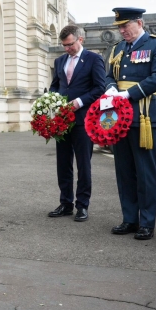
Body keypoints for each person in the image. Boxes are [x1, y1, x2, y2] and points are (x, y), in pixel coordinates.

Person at [105, 8, 156, 240]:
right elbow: (109, 75)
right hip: (118, 118)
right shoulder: (118, 48)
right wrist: (111, 88)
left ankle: (147, 222)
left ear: (139, 23)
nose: (122, 31)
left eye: (126, 26)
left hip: (143, 116)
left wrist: (129, 94)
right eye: (120, 27)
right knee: (124, 171)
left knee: (145, 172)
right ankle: (129, 219)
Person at [48, 24, 106, 221]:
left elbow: (100, 87)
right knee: (63, 164)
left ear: (81, 40)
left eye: (70, 44)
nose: (67, 49)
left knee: (83, 164)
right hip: (62, 121)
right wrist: (52, 99)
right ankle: (65, 203)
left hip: (84, 120)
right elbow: (55, 85)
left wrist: (79, 102)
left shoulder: (94, 59)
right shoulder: (59, 61)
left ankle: (82, 206)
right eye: (64, 45)